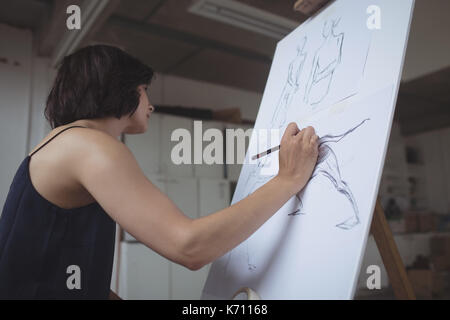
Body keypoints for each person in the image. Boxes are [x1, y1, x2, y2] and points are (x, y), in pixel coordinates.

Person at [0, 45, 319, 299]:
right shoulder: (90, 145)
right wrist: (287, 180)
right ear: (120, 88)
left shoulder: (61, 144)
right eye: (143, 89)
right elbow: (189, 248)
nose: (149, 104)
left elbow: (49, 270)